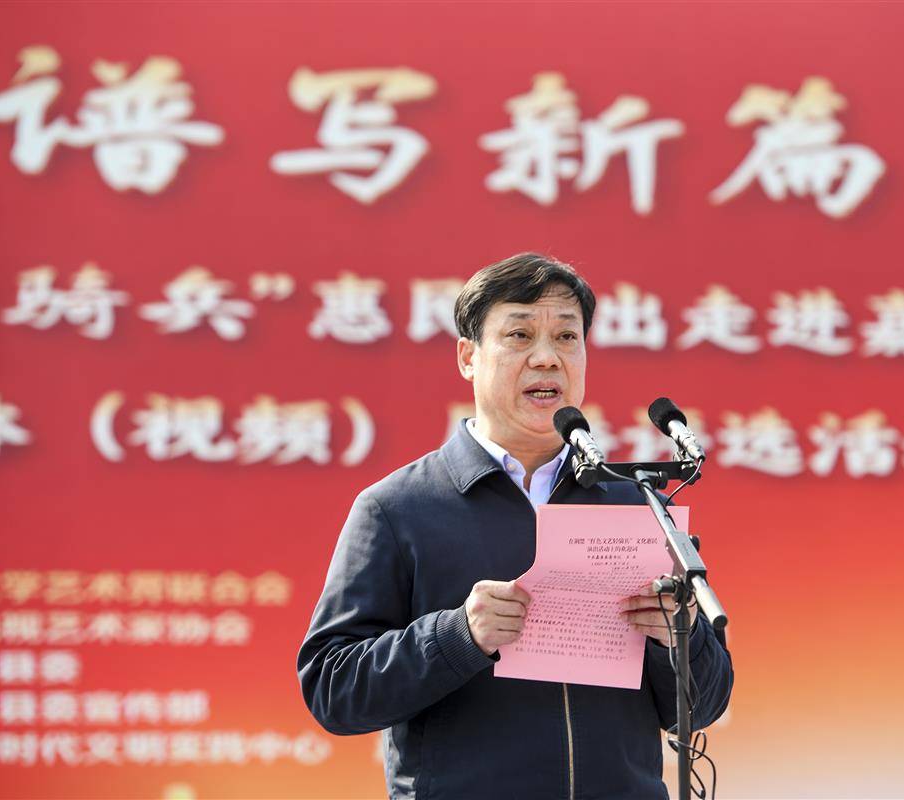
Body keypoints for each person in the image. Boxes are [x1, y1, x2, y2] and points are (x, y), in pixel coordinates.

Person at [298, 252, 733, 799]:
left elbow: (706, 705)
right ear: (468, 357)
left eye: (567, 337)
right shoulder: (398, 508)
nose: (546, 358)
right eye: (519, 335)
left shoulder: (637, 504)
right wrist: (458, 635)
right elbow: (332, 688)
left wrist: (677, 637)